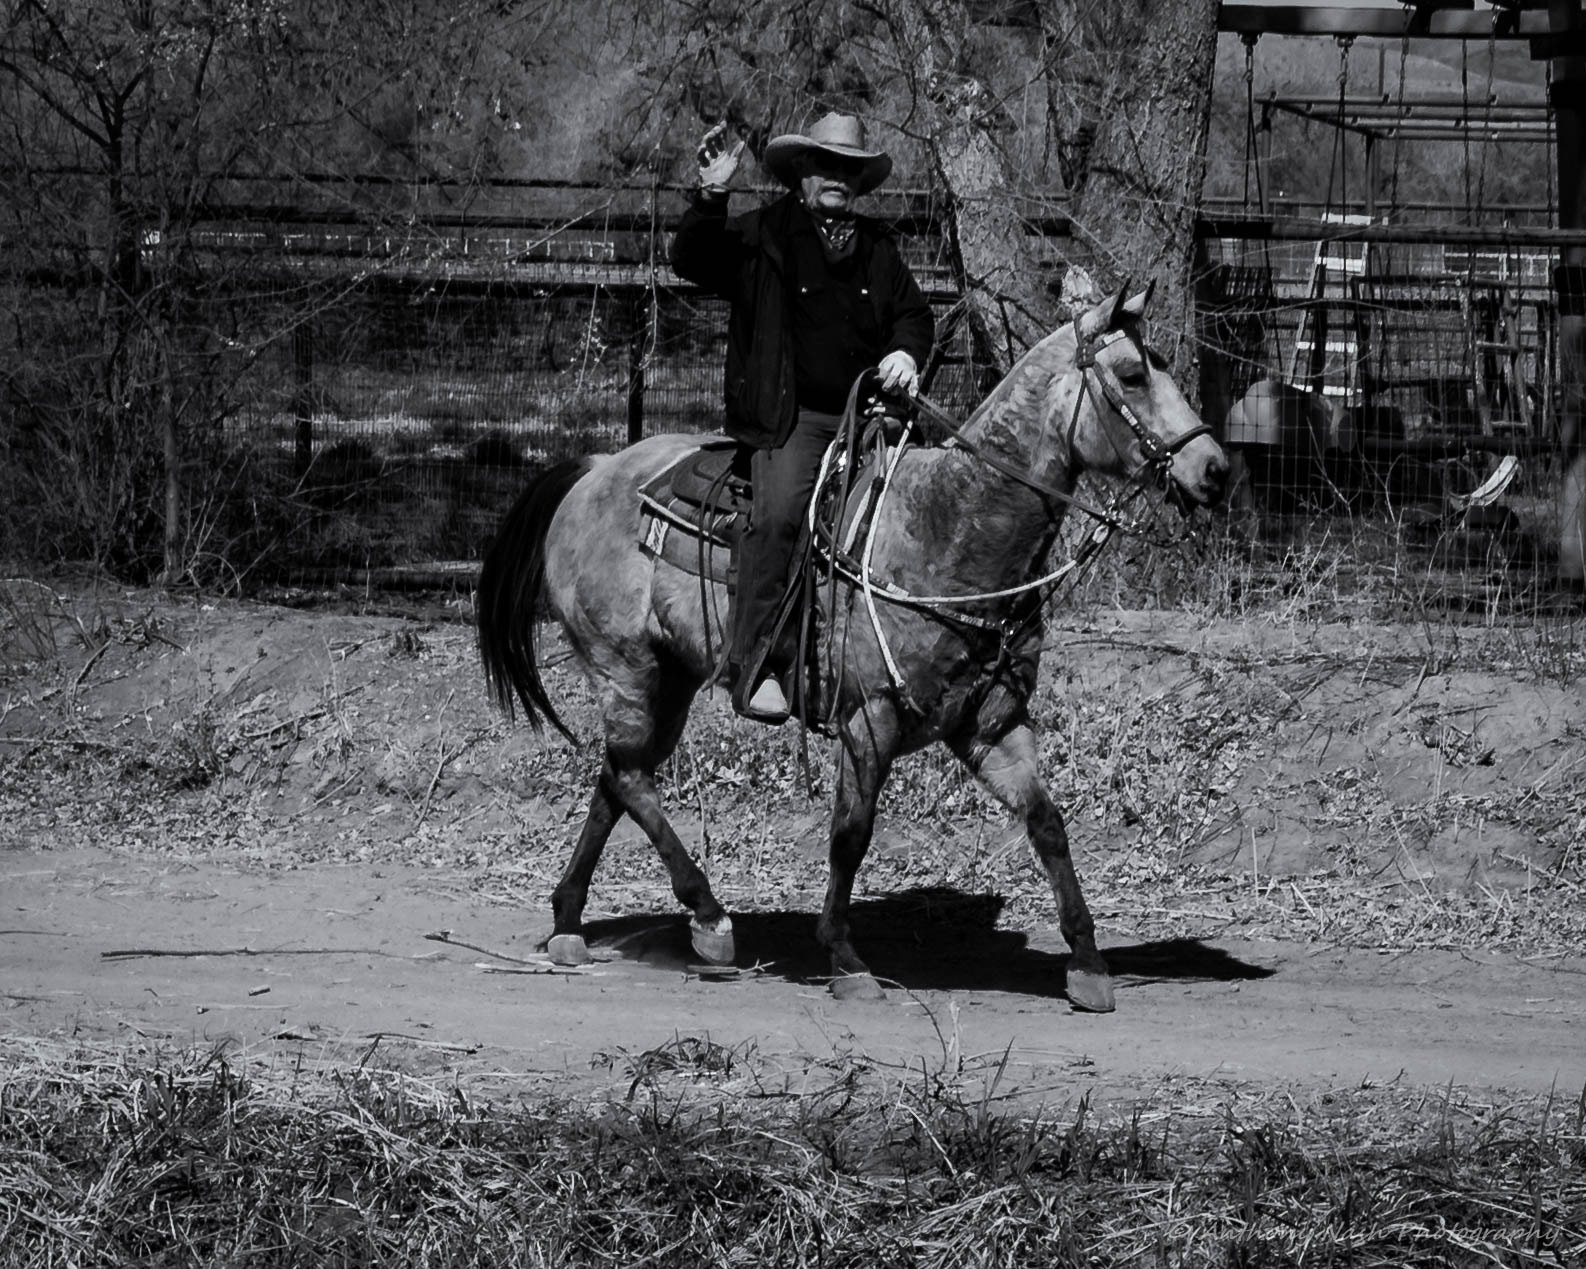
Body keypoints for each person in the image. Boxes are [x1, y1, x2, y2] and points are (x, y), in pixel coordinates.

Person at [670, 110, 934, 723]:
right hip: (793, 421)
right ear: (802, 173)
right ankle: (759, 666)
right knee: (783, 515)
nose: (837, 177)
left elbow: (915, 317)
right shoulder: (763, 235)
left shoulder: (878, 251)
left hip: (871, 418)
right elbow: (692, 258)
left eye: (849, 168)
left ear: (861, 181)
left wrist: (904, 351)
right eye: (826, 165)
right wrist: (711, 195)